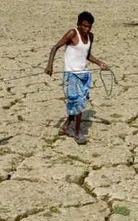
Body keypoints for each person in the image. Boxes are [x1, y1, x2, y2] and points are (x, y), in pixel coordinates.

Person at [45, 11, 108, 144]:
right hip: (71, 76)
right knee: (79, 103)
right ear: (79, 24)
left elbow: (87, 55)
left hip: (84, 75)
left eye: (89, 26)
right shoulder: (72, 33)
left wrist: (100, 63)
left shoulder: (90, 36)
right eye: (84, 26)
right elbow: (55, 47)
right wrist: (50, 66)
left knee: (77, 103)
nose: (86, 29)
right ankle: (78, 132)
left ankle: (65, 126)